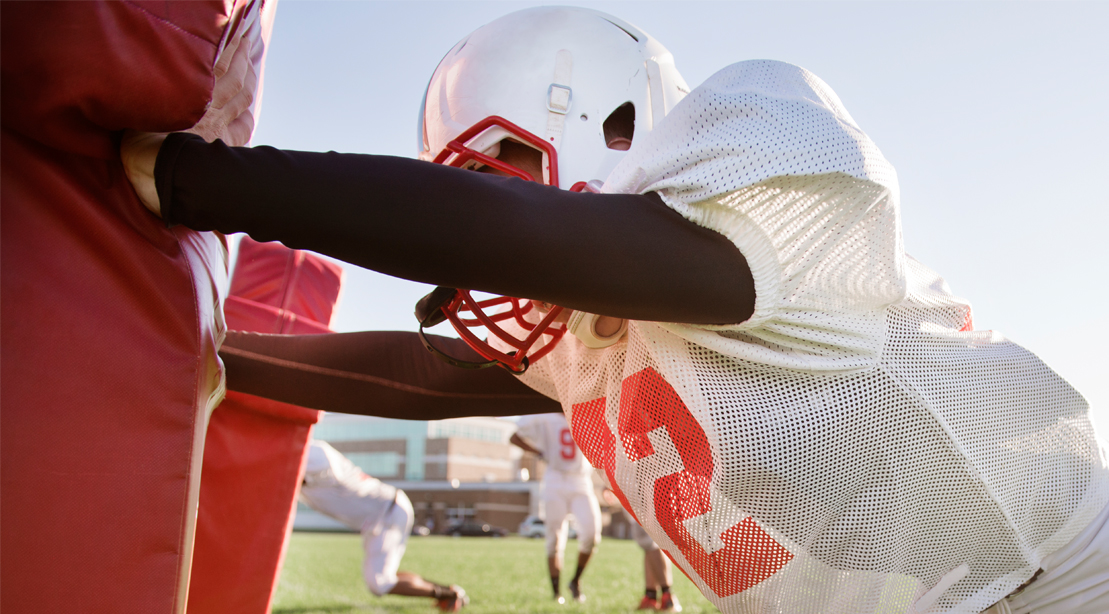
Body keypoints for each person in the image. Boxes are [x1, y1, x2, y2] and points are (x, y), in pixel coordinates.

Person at [120, 7, 1109, 614]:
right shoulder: (584, 324)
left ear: (610, 125)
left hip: (1059, 571)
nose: (475, 242)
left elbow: (532, 238)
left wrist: (198, 179)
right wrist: (208, 351)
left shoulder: (744, 156)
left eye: (493, 177)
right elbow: (425, 372)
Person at [299, 440, 469, 611]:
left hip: (388, 511)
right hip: (380, 515)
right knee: (385, 577)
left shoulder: (315, 451)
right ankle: (448, 590)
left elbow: (299, 474)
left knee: (379, 583)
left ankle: (449, 595)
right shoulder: (306, 454)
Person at [511, 413, 603, 603]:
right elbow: (514, 437)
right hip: (555, 478)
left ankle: (575, 580)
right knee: (554, 538)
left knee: (592, 534)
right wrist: (538, 451)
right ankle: (556, 593)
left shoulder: (584, 413)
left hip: (581, 479)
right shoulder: (545, 416)